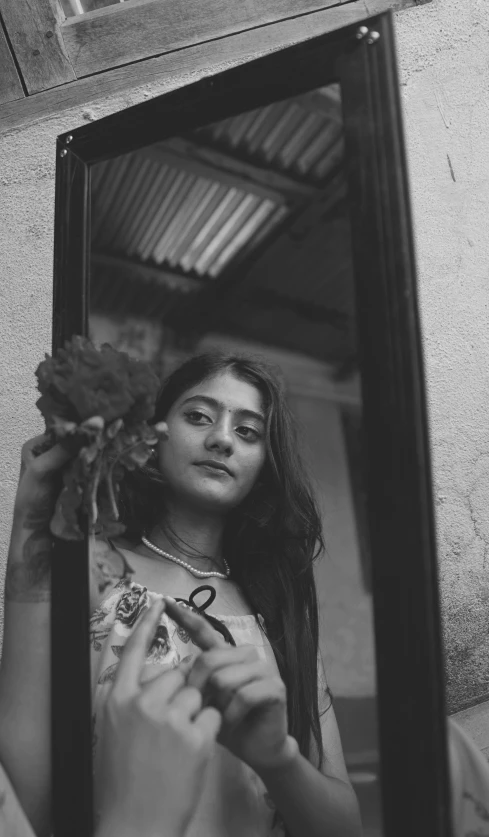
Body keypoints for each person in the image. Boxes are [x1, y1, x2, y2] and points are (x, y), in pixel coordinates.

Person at [0, 349, 362, 837]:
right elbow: (23, 795)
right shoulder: (90, 567)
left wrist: (279, 761)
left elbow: (345, 827)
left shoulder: (280, 609)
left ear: (263, 465)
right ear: (153, 436)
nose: (221, 439)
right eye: (198, 416)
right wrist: (32, 520)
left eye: (247, 431)